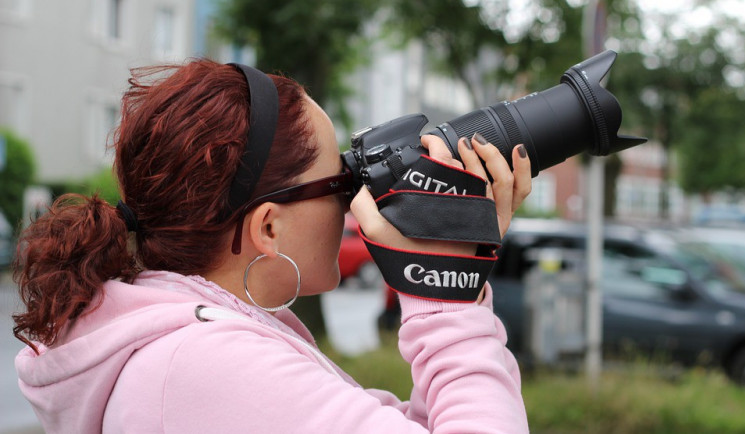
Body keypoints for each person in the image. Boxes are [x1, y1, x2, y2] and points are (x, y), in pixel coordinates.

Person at [12, 58, 531, 433]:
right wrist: (446, 301)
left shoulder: (196, 346)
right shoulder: (201, 363)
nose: (354, 203)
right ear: (268, 228)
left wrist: (459, 269)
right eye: (341, 185)